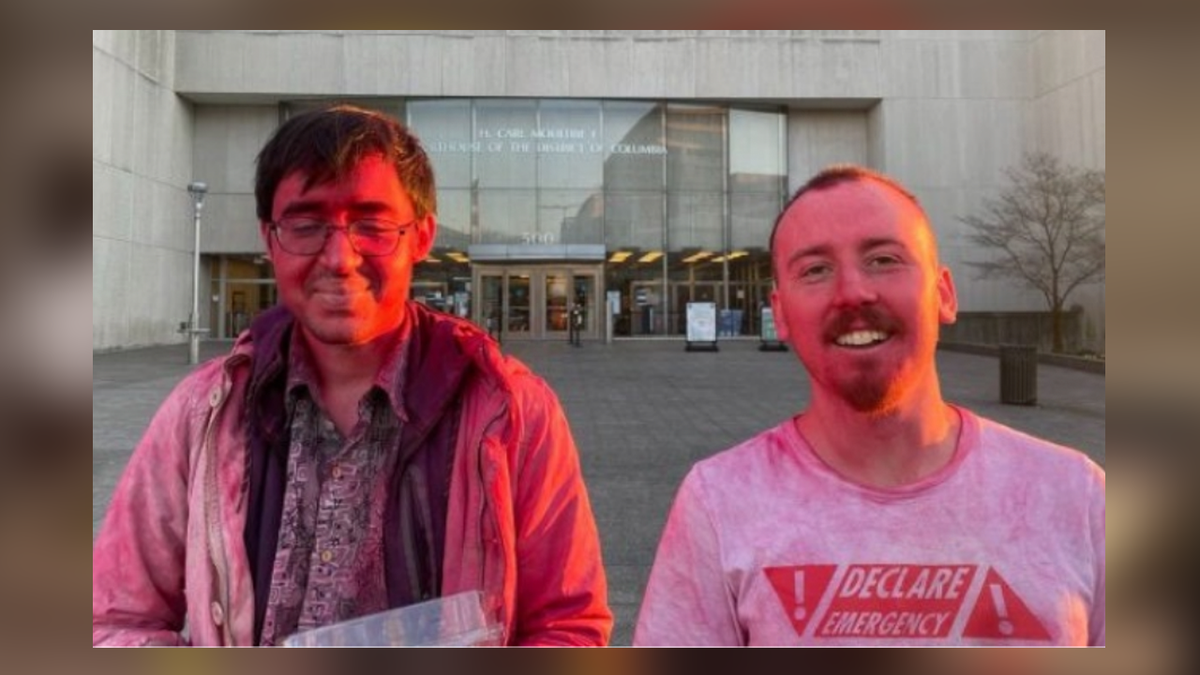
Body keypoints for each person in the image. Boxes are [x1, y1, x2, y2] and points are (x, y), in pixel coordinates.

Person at [92, 105, 612, 647]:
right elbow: (113, 620)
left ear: (421, 236)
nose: (339, 258)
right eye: (306, 224)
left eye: (371, 224)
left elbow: (566, 624)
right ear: (269, 238)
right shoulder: (203, 415)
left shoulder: (510, 410)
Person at [634, 165, 1104, 646]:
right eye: (815, 270)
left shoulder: (1077, 496)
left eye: (883, 259)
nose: (853, 292)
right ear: (781, 315)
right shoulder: (718, 504)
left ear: (943, 294)